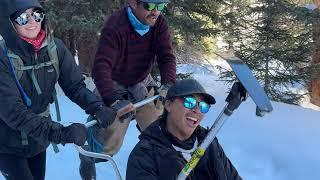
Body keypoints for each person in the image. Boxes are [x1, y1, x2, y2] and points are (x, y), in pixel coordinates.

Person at [0, 0, 123, 179]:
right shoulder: (3, 58)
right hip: (7, 142)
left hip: (38, 140)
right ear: (9, 22)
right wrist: (61, 133)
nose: (33, 22)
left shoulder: (54, 49)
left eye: (36, 14)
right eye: (23, 18)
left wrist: (97, 107)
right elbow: (13, 112)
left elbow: (75, 86)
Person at [79, 0, 176, 179]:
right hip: (114, 83)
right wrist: (113, 100)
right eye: (150, 6)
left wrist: (168, 84)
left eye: (160, 6)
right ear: (133, 3)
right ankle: (89, 156)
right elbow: (101, 67)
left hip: (141, 81)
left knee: (159, 130)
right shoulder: (115, 26)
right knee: (110, 143)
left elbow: (166, 56)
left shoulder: (159, 23)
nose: (156, 12)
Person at [126, 79, 242, 180]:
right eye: (189, 102)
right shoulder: (144, 155)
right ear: (168, 105)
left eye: (203, 106)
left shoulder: (208, 142)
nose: (197, 110)